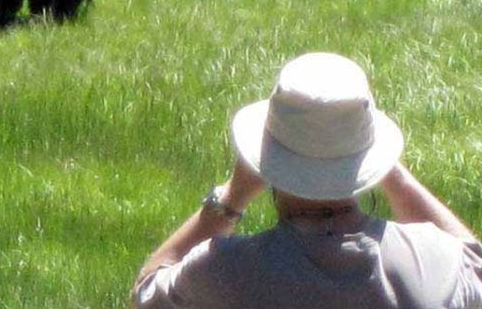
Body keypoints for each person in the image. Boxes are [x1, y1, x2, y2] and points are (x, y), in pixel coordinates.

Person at [133, 52, 482, 308]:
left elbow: (147, 293)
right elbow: (476, 268)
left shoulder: (224, 270)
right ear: (370, 161)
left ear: (264, 161)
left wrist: (231, 198)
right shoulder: (436, 260)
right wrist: (398, 179)